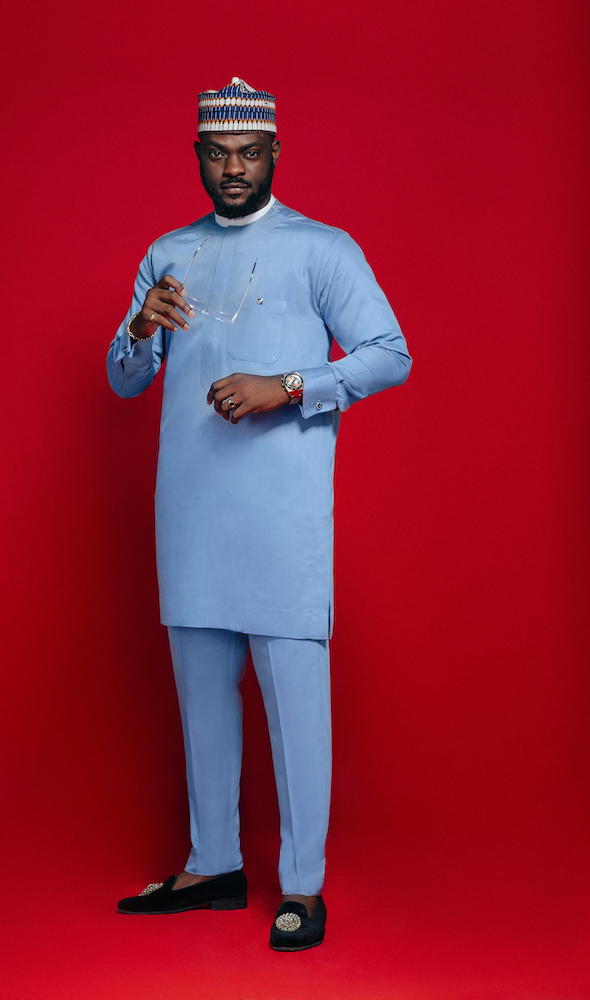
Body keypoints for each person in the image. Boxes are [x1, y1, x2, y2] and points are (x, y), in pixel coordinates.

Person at [108, 77, 411, 951]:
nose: (233, 169)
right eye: (218, 154)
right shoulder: (168, 251)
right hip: (191, 515)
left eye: (248, 153)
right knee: (202, 704)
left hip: (281, 519)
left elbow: (390, 354)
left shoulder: (321, 249)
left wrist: (288, 385)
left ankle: (303, 886)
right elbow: (125, 381)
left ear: (275, 152)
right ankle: (213, 864)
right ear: (198, 156)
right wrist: (140, 328)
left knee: (296, 708)